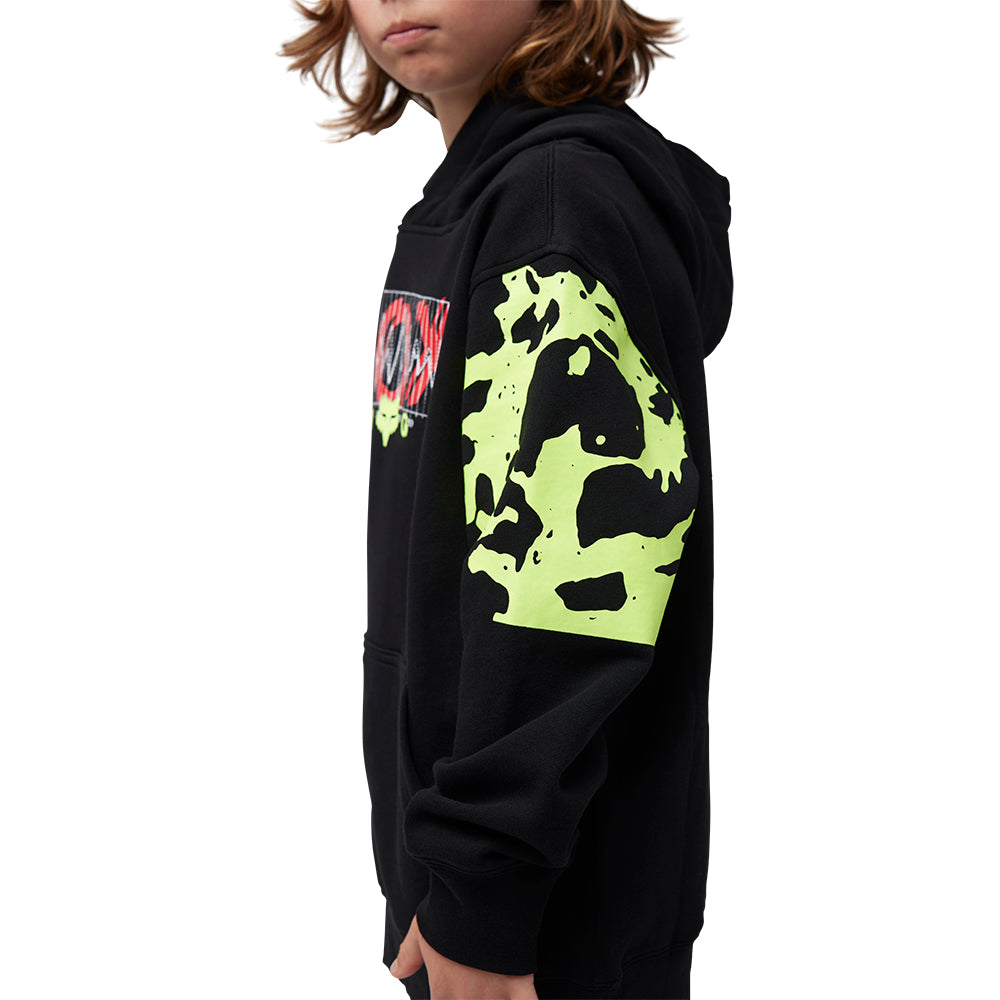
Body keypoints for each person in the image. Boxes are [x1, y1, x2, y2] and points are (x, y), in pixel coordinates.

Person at [281, 2, 733, 997]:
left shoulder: (554, 206)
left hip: (543, 912)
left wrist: (483, 892)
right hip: (487, 879)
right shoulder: (484, 198)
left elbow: (572, 586)